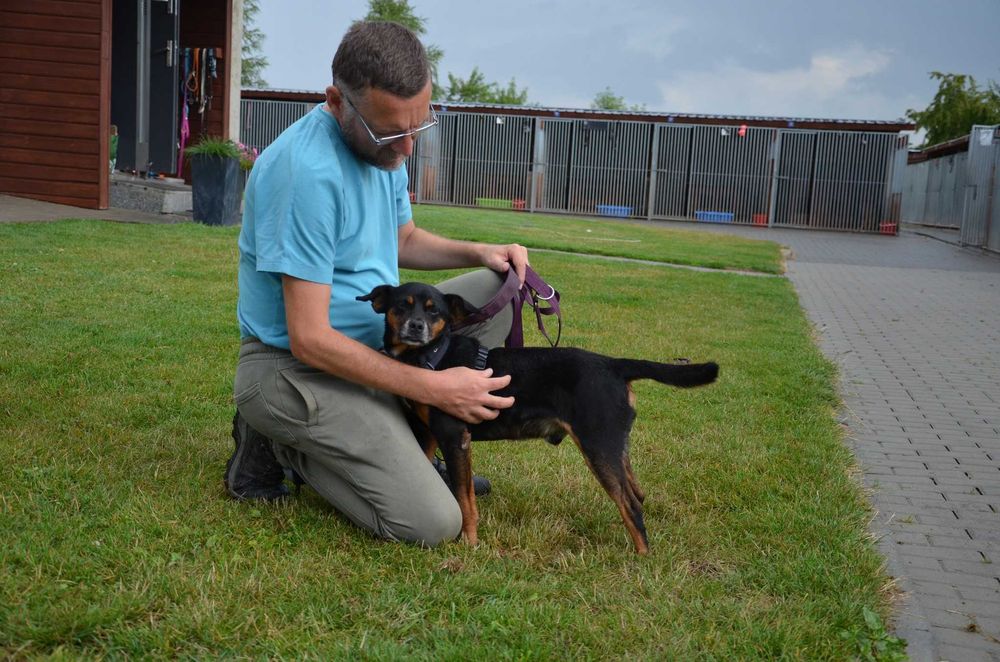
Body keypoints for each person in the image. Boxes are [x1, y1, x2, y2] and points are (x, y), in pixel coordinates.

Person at [227, 20, 529, 547]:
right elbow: (309, 339)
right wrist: (435, 387)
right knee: (433, 523)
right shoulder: (304, 175)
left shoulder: (383, 146)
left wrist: (482, 252)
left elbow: (401, 238)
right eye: (392, 133)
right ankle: (278, 441)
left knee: (500, 287)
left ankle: (406, 440)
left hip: (381, 344)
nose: (408, 148)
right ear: (336, 102)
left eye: (419, 126)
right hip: (296, 367)